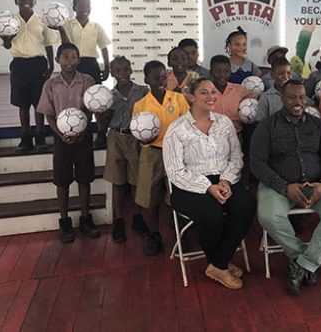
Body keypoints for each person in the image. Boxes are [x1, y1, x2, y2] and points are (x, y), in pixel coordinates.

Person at [250, 80, 321, 296]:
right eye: (292, 97)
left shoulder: (317, 125)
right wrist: (284, 187)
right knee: (268, 216)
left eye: (301, 97)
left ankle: (303, 265)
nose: (298, 102)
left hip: (317, 184)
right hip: (278, 185)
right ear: (282, 99)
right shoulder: (267, 126)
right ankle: (304, 258)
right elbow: (257, 163)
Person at [163, 77, 256, 290]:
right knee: (211, 212)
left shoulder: (224, 123)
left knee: (246, 204)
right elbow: (175, 172)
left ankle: (218, 264)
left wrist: (225, 180)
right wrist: (208, 187)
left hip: (224, 179)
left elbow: (236, 157)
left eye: (214, 91)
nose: (211, 96)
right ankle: (221, 264)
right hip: (189, 185)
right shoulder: (177, 129)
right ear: (191, 96)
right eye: (204, 92)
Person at [36, 42, 100, 243]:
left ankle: (85, 218)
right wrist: (60, 133)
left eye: (73, 57)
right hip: (60, 139)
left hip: (83, 138)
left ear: (79, 59)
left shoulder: (87, 81)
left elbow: (90, 109)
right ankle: (64, 221)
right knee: (62, 181)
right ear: (57, 60)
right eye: (65, 57)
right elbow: (49, 114)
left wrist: (82, 131)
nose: (69, 62)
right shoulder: (50, 84)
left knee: (84, 178)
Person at [131, 60, 190, 255]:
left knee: (180, 195)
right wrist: (147, 137)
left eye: (164, 76)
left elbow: (188, 125)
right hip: (152, 153)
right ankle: (154, 235)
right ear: (146, 79)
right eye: (155, 77)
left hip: (176, 153)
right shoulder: (140, 105)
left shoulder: (178, 99)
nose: (161, 80)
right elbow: (137, 133)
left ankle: (182, 234)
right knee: (147, 198)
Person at [0, 0, 56, 152]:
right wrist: (7, 37)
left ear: (35, 1)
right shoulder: (9, 22)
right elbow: (7, 45)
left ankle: (39, 135)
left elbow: (49, 44)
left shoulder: (42, 21)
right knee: (22, 104)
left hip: (38, 64)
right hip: (19, 65)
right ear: (15, 1)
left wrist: (51, 66)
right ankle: (25, 136)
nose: (26, 2)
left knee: (39, 103)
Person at [103, 56, 149, 243]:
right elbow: (103, 124)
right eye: (118, 70)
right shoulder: (107, 96)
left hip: (136, 138)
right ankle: (118, 221)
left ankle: (138, 217)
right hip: (115, 136)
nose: (122, 74)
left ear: (131, 70)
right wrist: (101, 115)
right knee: (117, 181)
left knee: (136, 180)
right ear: (112, 73)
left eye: (125, 69)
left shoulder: (143, 92)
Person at [58, 0, 112, 147]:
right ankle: (78, 130)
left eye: (87, 5)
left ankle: (102, 133)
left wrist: (106, 67)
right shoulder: (68, 25)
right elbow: (66, 45)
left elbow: (104, 47)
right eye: (81, 5)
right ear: (74, 7)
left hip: (92, 64)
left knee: (97, 100)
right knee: (77, 99)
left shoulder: (96, 27)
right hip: (74, 65)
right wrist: (61, 30)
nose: (84, 8)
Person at [210, 55, 257, 134]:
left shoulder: (240, 90)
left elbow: (255, 99)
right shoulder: (204, 92)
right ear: (211, 73)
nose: (222, 75)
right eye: (218, 71)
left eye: (226, 71)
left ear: (230, 72)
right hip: (211, 136)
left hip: (235, 135)